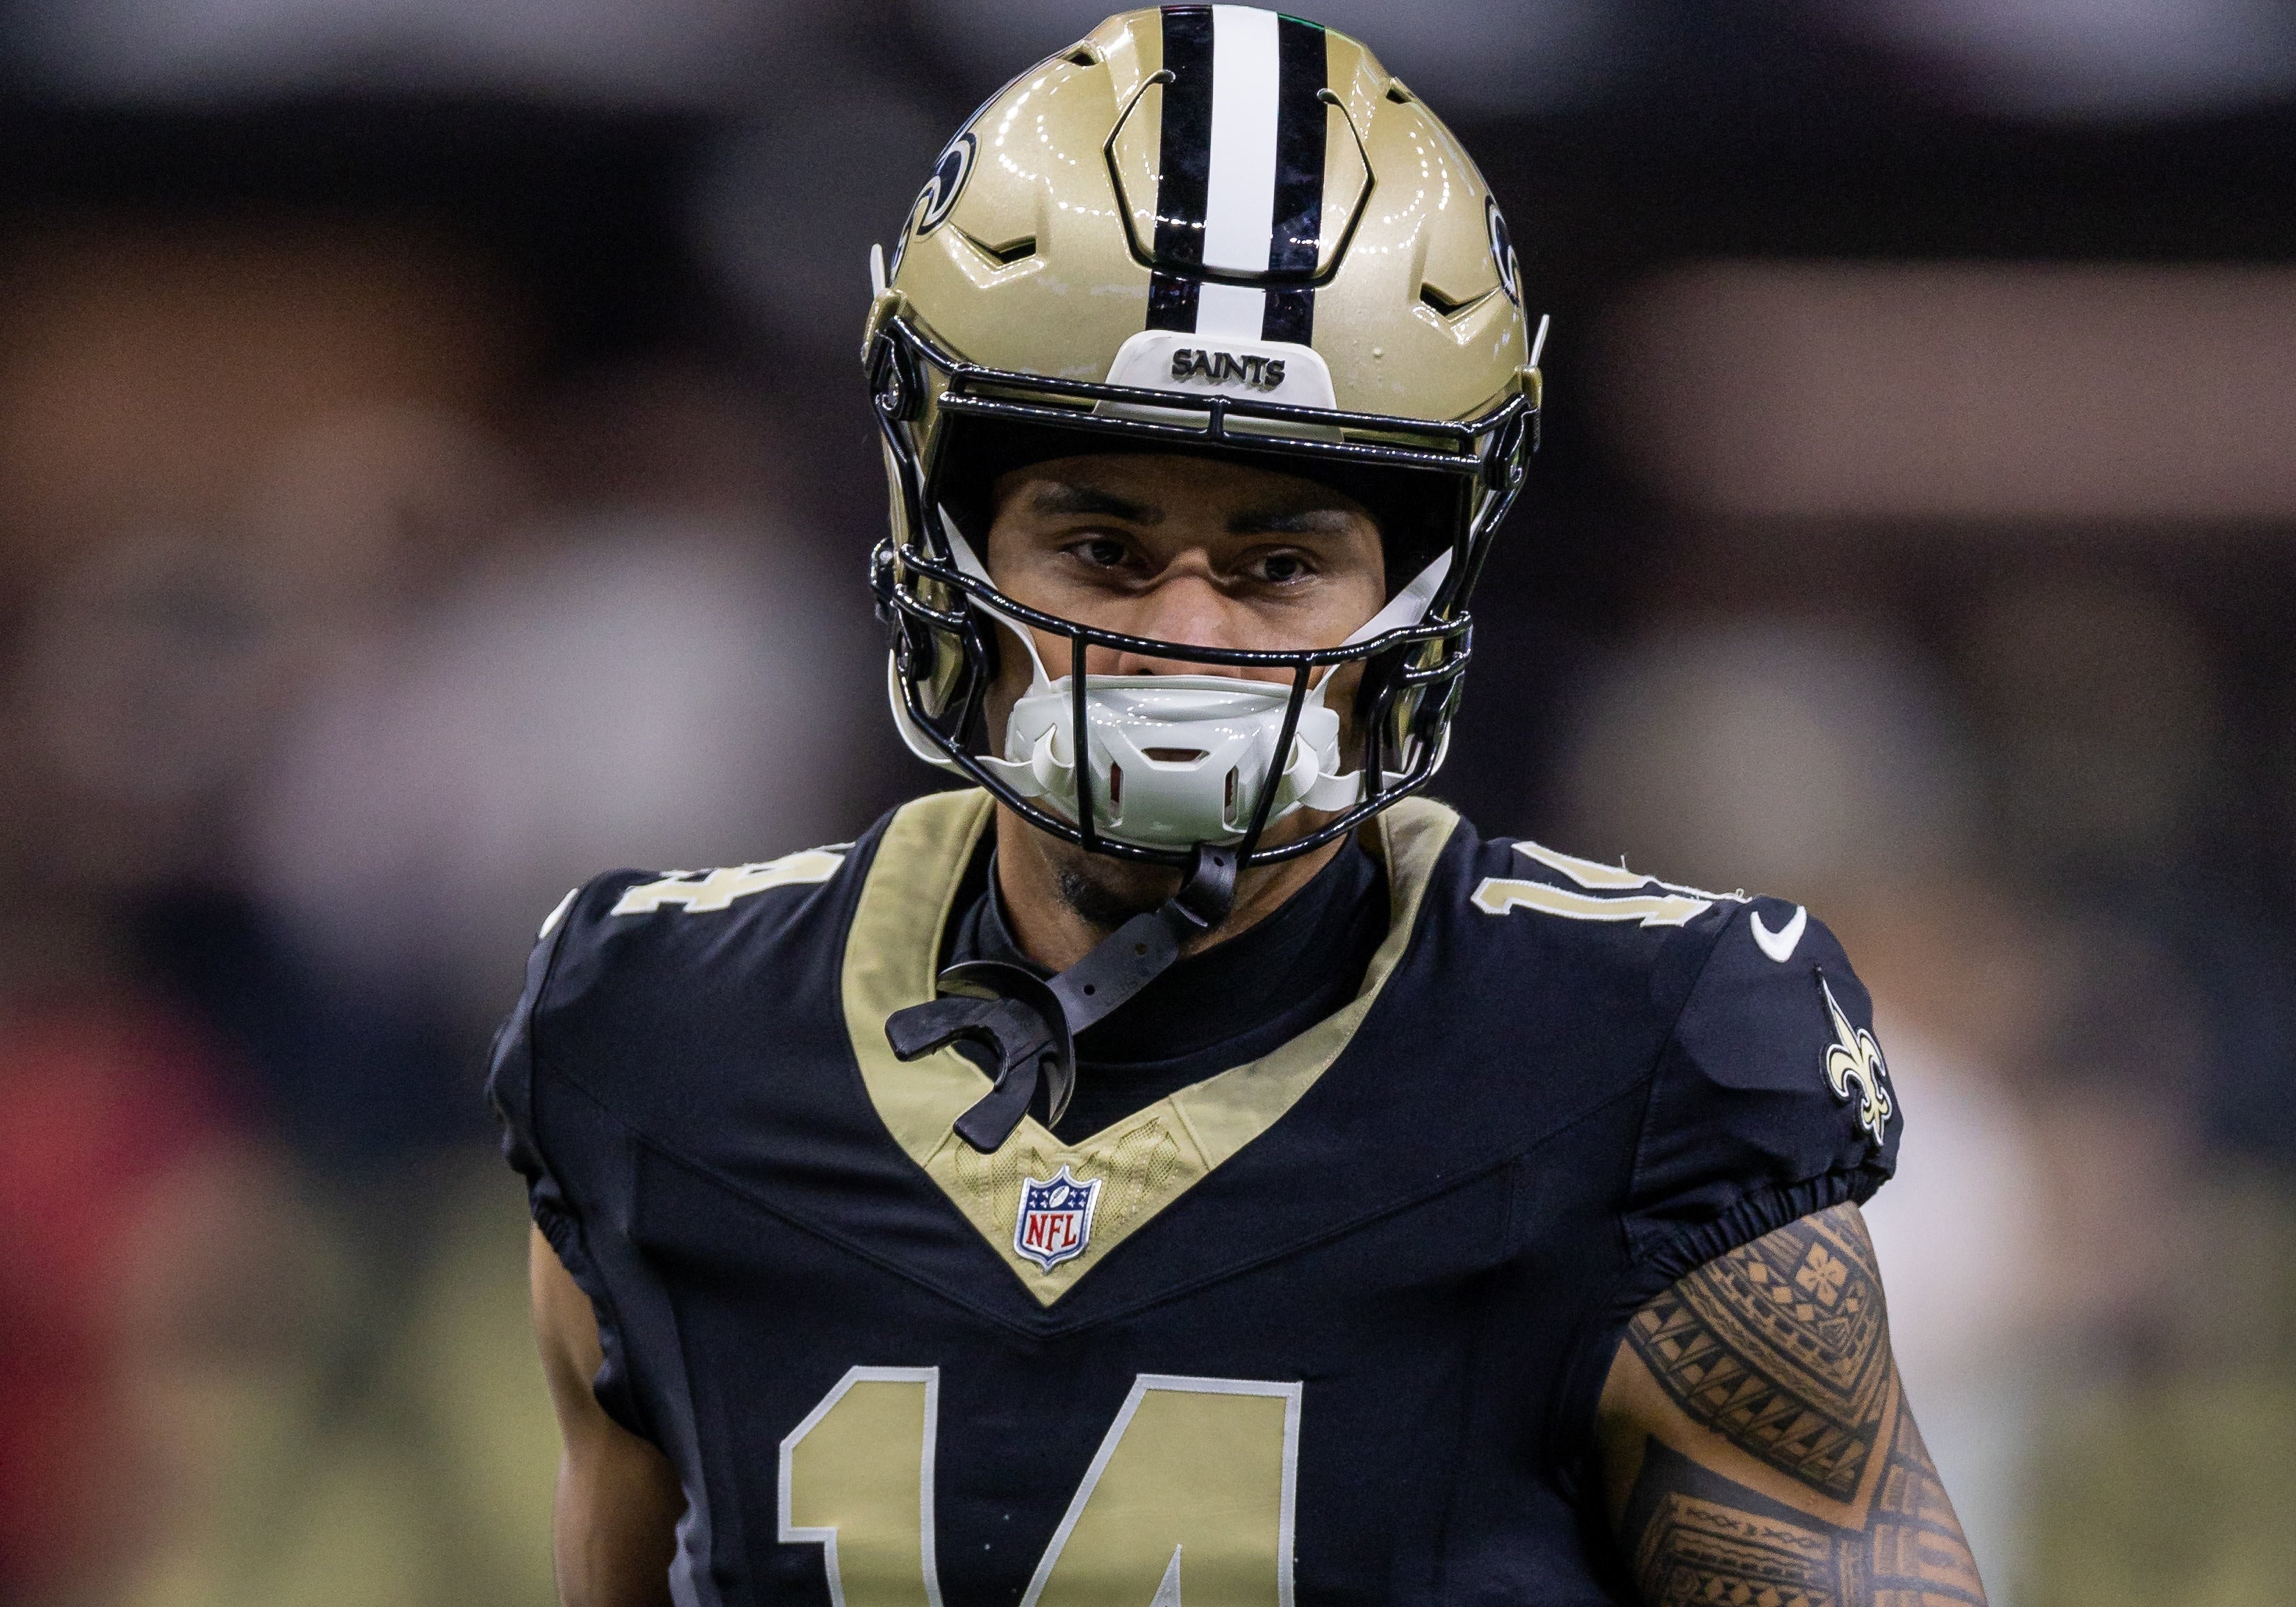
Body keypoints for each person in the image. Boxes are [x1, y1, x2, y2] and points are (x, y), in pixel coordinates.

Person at [493, 8, 1987, 1605]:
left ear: (1413, 596)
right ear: (953, 545)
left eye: (1277, 563)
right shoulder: (661, 1035)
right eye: (1105, 550)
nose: (1188, 635)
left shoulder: (1638, 1064)